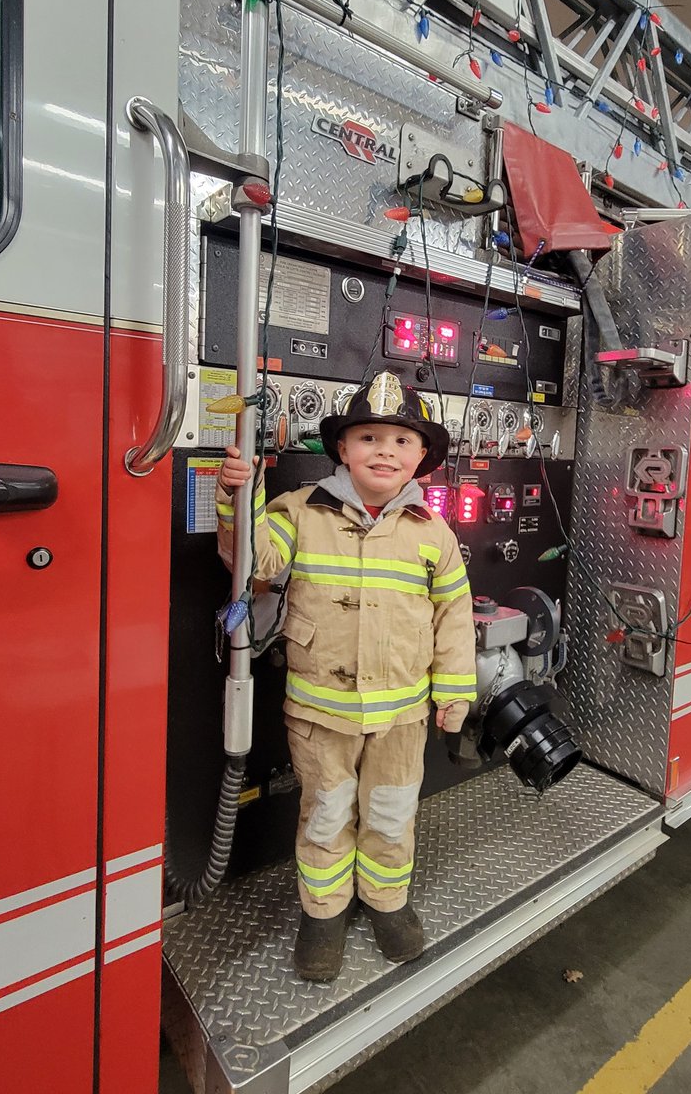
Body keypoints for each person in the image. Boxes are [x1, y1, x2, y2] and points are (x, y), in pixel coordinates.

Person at [215, 371, 476, 982]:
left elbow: (455, 616)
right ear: (342, 449)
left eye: (401, 441)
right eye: (368, 437)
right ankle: (325, 914)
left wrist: (455, 692)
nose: (385, 451)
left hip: (402, 716)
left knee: (389, 811)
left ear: (421, 457)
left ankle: (387, 902)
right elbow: (251, 562)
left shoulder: (432, 532)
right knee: (326, 813)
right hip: (319, 712)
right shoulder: (298, 512)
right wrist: (238, 498)